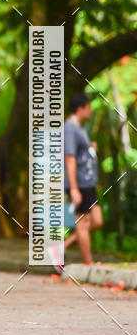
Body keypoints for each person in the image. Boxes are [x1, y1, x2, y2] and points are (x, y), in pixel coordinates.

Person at [62, 93, 102, 265]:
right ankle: (88, 265)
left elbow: (79, 153)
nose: (91, 111)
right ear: (81, 109)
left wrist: (90, 147)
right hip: (79, 184)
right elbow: (69, 158)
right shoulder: (69, 129)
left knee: (97, 221)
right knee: (83, 222)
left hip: (88, 183)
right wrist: (74, 188)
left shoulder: (79, 128)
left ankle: (62, 246)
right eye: (89, 108)